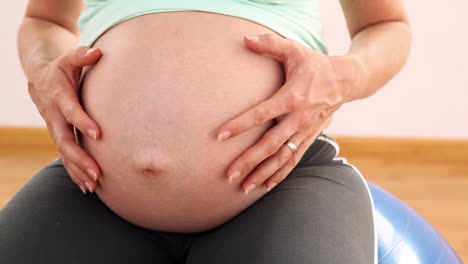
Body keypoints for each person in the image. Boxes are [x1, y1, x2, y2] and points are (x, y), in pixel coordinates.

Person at [0, 0, 411, 263]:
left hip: (282, 181)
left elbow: (386, 24)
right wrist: (42, 71)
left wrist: (344, 76)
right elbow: (45, 19)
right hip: (91, 184)